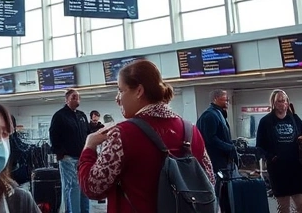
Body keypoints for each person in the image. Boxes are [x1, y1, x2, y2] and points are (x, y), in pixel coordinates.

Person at [79, 59, 214, 212]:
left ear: (139, 91)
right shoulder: (191, 131)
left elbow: (93, 187)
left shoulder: (122, 134)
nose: (118, 99)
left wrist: (89, 147)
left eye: (121, 91)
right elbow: (209, 180)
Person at [256, 89, 302, 213]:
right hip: (278, 170)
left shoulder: (294, 118)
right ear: (273, 103)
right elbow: (259, 146)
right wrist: (271, 157)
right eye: (279, 101)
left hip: (297, 169)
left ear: (288, 102)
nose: (282, 104)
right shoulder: (266, 121)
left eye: (284, 101)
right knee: (284, 208)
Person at [49, 88, 91, 213]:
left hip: (82, 158)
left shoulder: (82, 116)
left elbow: (88, 134)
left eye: (78, 97)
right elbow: (53, 135)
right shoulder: (60, 116)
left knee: (83, 186)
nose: (77, 99)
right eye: (73, 97)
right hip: (68, 158)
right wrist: (60, 154)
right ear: (66, 100)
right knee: (73, 187)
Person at [196, 89, 236, 200]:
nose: (227, 101)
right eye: (225, 98)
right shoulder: (210, 116)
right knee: (218, 195)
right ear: (215, 99)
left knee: (225, 195)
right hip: (215, 164)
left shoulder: (218, 114)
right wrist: (229, 147)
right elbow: (210, 139)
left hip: (222, 163)